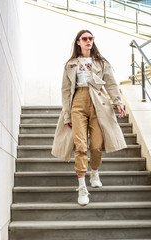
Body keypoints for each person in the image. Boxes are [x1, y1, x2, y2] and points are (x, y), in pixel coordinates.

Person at [52, 29, 127, 206]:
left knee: (96, 146)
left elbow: (111, 84)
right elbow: (65, 91)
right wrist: (67, 114)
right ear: (78, 42)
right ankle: (82, 187)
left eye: (90, 38)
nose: (88, 41)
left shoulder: (101, 63)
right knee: (80, 146)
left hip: (99, 104)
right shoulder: (70, 64)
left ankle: (94, 172)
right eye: (84, 38)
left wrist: (118, 103)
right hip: (77, 103)